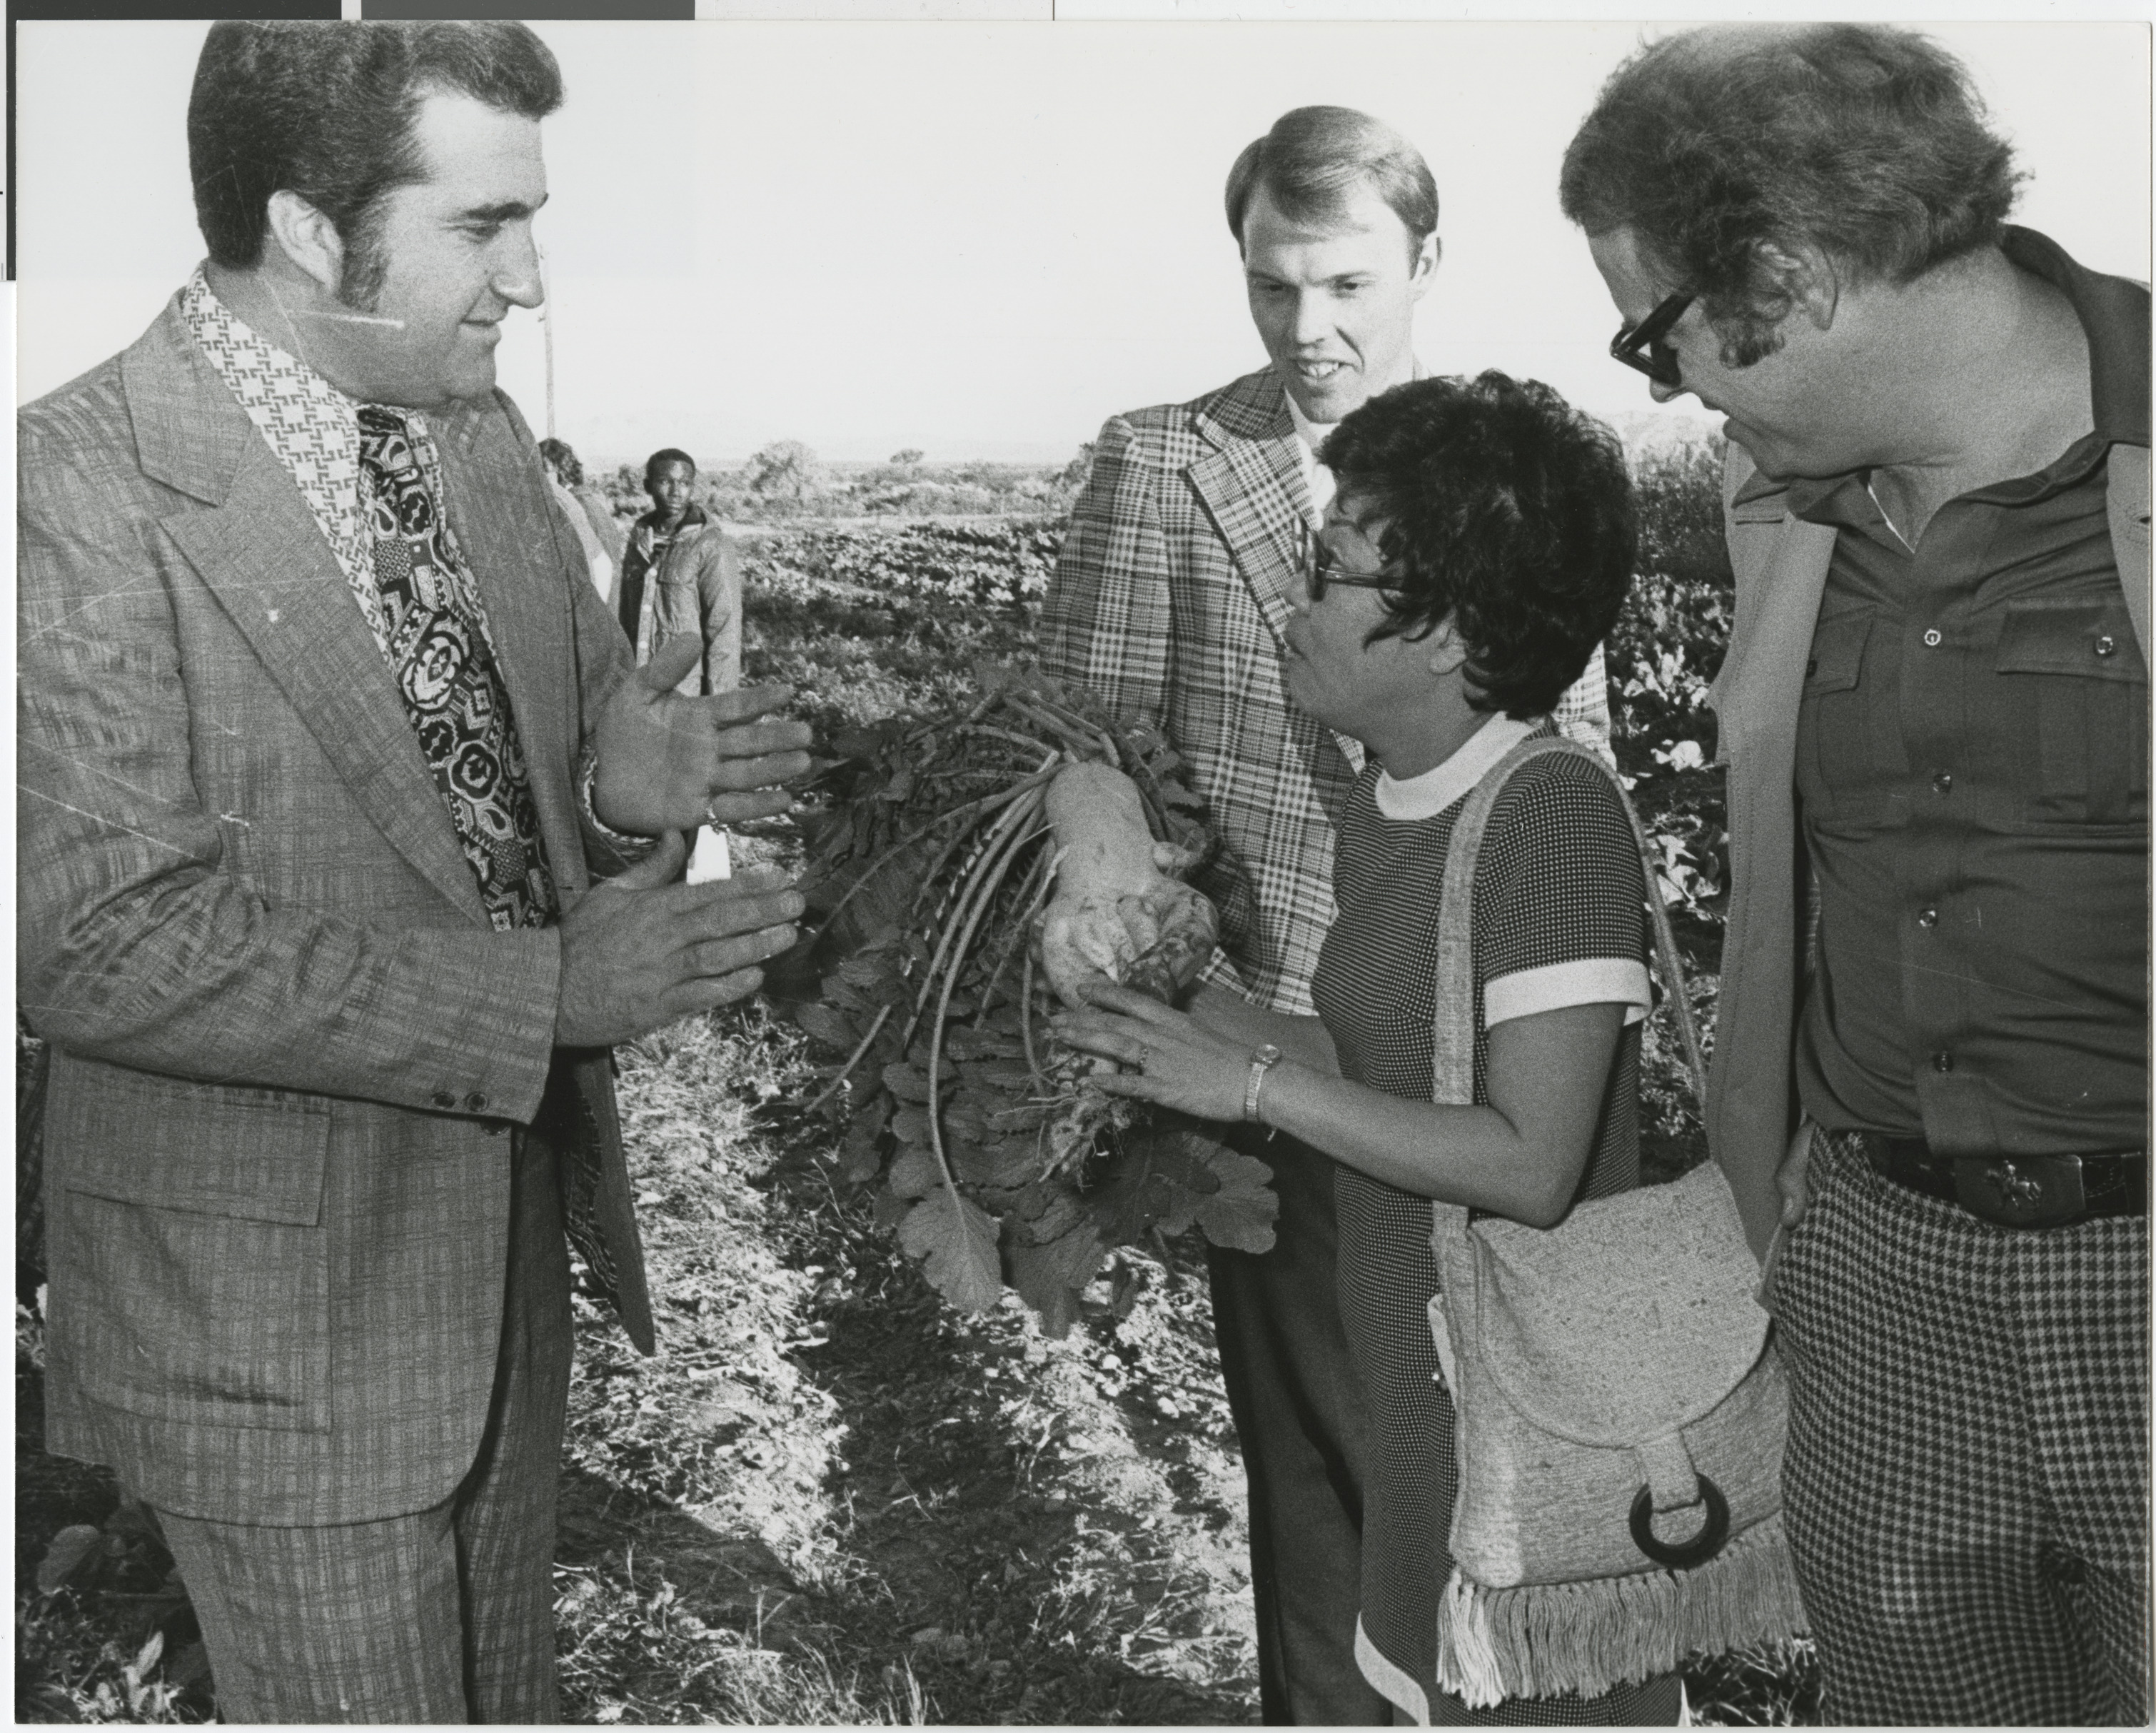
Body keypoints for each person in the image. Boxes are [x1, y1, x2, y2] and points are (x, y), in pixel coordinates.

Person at [16, 20, 812, 1723]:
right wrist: (545, 990)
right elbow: (95, 937)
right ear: (312, 229)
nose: (530, 276)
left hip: (495, 1271)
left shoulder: (471, 439)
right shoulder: (75, 484)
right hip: (273, 1331)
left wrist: (622, 788)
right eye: (483, 224)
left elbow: (557, 810)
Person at [1562, 24, 2149, 1724]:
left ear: (1793, 275)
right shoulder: (1780, 512)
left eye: (1652, 332)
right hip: (1885, 1285)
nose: (1666, 390)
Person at [1039, 106, 1610, 1724]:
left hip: (1494, 1076)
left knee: (1511, 1525)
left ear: (1428, 260)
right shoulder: (1162, 459)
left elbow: (1578, 763)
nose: (1310, 329)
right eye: (1272, 285)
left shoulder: (1510, 473)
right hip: (1278, 1082)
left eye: (1348, 281)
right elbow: (1068, 722)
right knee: (1324, 1506)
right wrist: (1096, 835)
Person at [619, 446, 742, 696]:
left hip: (682, 692)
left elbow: (724, 630)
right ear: (647, 486)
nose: (676, 492)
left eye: (685, 483)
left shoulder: (711, 545)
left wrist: (719, 707)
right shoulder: (639, 539)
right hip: (637, 687)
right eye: (665, 482)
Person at [538, 434, 626, 605]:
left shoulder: (577, 507)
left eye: (544, 471)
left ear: (561, 470)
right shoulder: (586, 501)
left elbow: (600, 566)